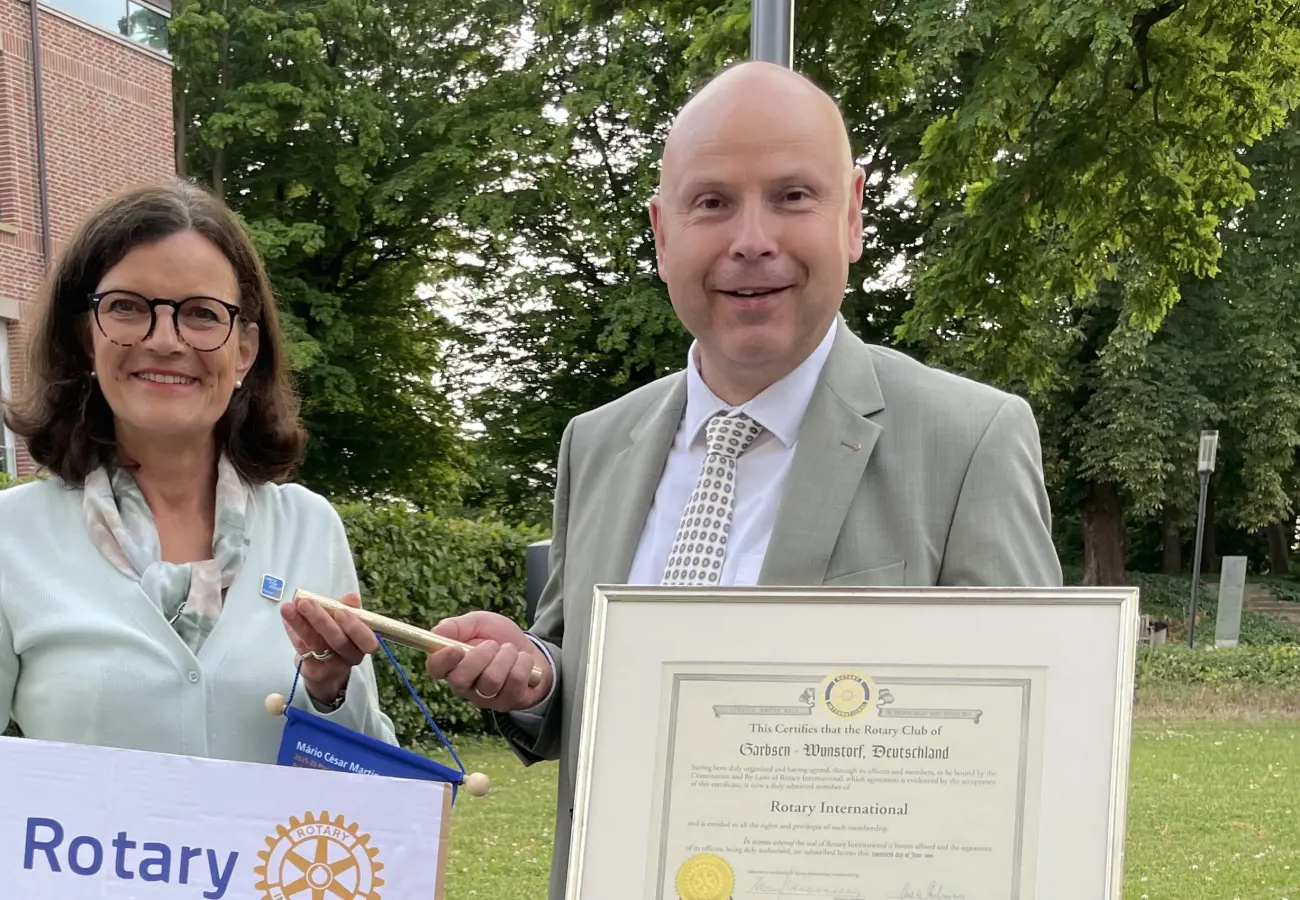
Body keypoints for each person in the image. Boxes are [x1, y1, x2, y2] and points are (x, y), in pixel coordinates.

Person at [422, 61, 1063, 899]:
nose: (751, 239)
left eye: (793, 196)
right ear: (662, 231)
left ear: (853, 215)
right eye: (713, 201)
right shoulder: (596, 443)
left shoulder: (970, 440)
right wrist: (533, 675)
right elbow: (576, 680)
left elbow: (1024, 752)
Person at [0, 179, 397, 771]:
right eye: (128, 309)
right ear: (86, 337)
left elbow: (376, 782)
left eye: (202, 315)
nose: (165, 340)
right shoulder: (6, 535)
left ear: (244, 349)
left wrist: (330, 689)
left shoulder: (310, 529)